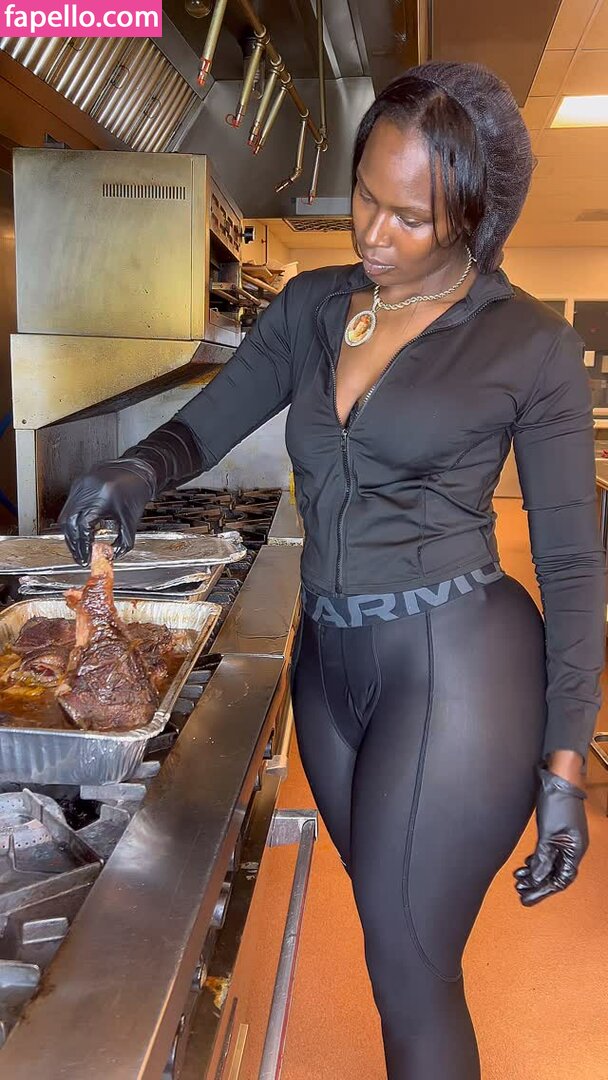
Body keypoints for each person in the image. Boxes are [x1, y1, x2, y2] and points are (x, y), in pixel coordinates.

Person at [60, 61, 606, 1080]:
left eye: (410, 217)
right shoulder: (314, 307)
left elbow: (573, 565)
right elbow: (210, 420)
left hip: (458, 667)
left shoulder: (529, 346)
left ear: (471, 218)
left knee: (410, 972)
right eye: (364, 196)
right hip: (330, 667)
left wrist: (564, 760)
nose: (373, 234)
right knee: (391, 935)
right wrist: (139, 469)